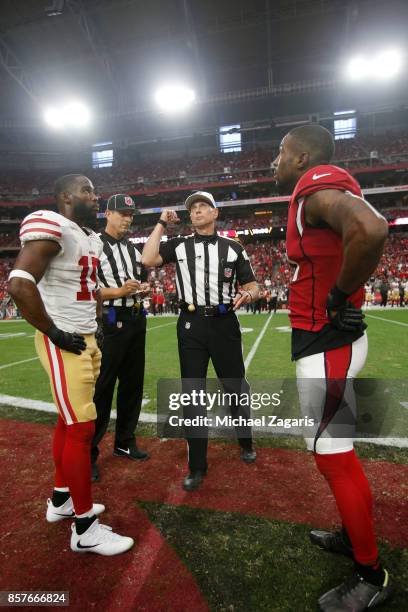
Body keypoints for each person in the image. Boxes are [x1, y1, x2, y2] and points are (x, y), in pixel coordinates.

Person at [273, 125, 390, 611]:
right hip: (325, 340)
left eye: (280, 153)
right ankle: (352, 537)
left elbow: (372, 228)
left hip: (329, 340)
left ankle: (371, 572)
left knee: (332, 452)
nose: (273, 163)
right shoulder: (314, 191)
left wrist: (339, 295)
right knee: (329, 448)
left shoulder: (317, 183)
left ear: (301, 158)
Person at [8, 174, 134, 556]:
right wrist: (54, 332)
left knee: (69, 421)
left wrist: (95, 323)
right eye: (87, 191)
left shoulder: (87, 237)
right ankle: (84, 528)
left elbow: (90, 287)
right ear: (65, 196)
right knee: (82, 429)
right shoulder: (52, 224)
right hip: (65, 340)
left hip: (86, 338)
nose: (94, 197)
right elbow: (18, 283)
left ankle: (61, 501)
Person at [142, 191, 259, 491]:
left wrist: (249, 293)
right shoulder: (179, 245)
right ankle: (197, 465)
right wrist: (160, 224)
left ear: (215, 213)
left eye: (202, 206)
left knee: (234, 386)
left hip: (224, 324)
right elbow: (148, 258)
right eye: (192, 208)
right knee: (192, 395)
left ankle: (246, 441)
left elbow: (253, 285)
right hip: (191, 324)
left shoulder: (233, 247)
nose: (196, 212)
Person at [91, 194, 149, 482]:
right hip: (111, 319)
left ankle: (125, 441)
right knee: (103, 388)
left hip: (137, 318)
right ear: (107, 214)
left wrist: (143, 288)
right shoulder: (93, 246)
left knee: (132, 385)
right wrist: (118, 292)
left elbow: (139, 278)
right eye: (122, 213)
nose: (128, 218)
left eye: (131, 214)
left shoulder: (133, 249)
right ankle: (89, 452)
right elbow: (85, 290)